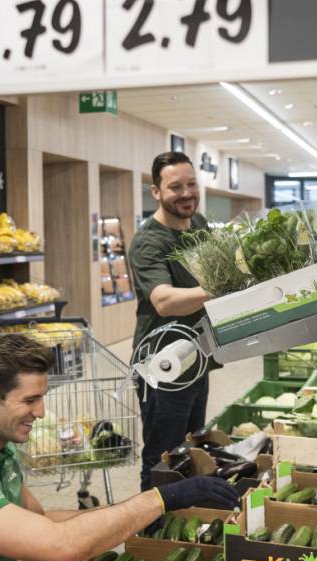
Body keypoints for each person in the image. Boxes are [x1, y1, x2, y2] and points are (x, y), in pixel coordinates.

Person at [0, 334, 237, 561]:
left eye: (41, 398)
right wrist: (161, 498)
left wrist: (134, 515)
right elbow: (59, 547)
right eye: (29, 400)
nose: (41, 413)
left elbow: (41, 519)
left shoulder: (0, 450)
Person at [128, 151, 211, 492]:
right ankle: (152, 533)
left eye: (191, 184)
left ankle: (185, 514)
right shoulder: (149, 241)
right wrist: (219, 290)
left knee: (192, 445)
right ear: (157, 193)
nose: (187, 193)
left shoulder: (200, 225)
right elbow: (163, 300)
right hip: (161, 366)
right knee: (162, 456)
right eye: (175, 187)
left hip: (198, 354)